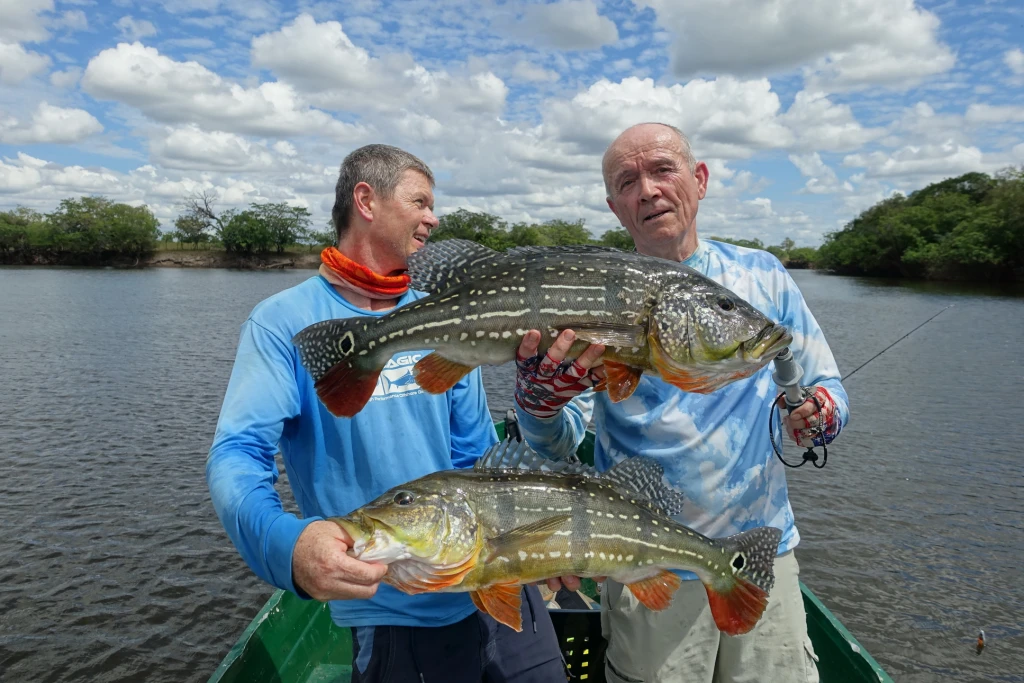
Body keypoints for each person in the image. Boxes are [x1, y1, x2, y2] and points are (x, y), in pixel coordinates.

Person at [207, 143, 567, 683]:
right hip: (394, 611)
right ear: (366, 201)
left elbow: (475, 454)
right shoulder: (282, 321)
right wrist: (287, 545)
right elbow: (238, 453)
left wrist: (538, 537)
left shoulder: (447, 316)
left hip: (499, 582)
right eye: (420, 201)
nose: (433, 216)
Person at [513, 123, 850, 683]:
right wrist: (538, 405)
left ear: (699, 180)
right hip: (643, 561)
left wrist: (819, 416)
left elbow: (829, 390)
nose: (647, 190)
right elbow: (558, 446)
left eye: (662, 170)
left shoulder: (762, 276)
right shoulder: (586, 295)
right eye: (628, 181)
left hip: (762, 550)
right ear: (615, 207)